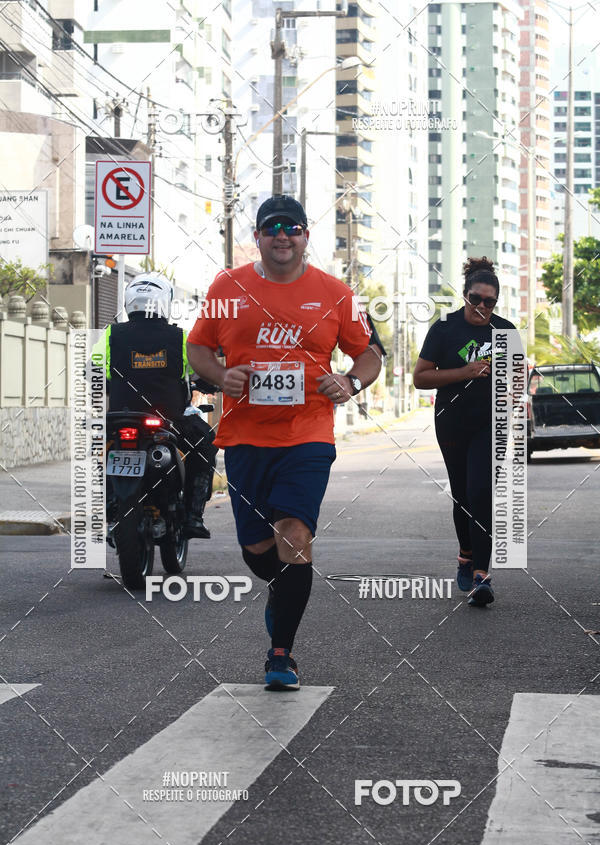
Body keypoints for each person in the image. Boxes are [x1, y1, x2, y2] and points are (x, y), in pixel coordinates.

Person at [187, 194, 383, 689]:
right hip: (245, 437)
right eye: (272, 227)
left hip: (308, 436)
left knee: (294, 534)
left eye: (292, 227)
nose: (282, 235)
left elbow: (369, 355)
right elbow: (197, 347)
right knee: (258, 549)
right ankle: (282, 586)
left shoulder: (336, 294)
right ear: (257, 236)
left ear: (305, 236)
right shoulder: (228, 287)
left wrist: (350, 383)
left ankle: (281, 655)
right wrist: (221, 373)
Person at [413, 257, 516, 607]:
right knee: (462, 495)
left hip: (491, 423)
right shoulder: (444, 328)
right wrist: (465, 371)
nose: (482, 307)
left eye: (489, 302)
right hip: (452, 421)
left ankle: (481, 575)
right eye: (476, 299)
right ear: (465, 294)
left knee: (481, 491)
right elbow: (420, 377)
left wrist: (511, 398)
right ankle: (466, 553)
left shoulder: (506, 330)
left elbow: (516, 382)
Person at [103, 271, 216, 539]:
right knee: (206, 445)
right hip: (170, 421)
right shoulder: (180, 338)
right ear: (165, 302)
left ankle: (110, 507)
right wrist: (212, 383)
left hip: (121, 420)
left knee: (99, 456)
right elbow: (202, 373)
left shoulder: (110, 335)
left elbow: (92, 371)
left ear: (130, 302)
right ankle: (192, 516)